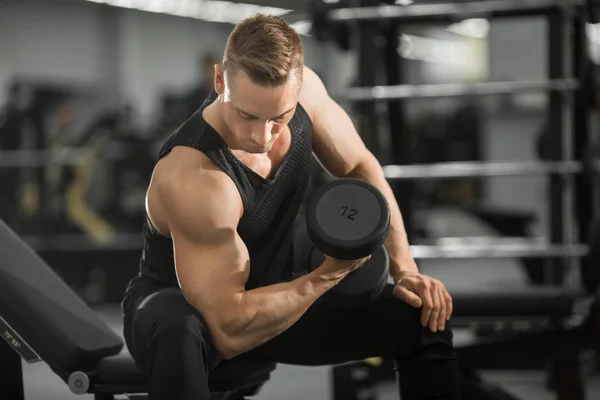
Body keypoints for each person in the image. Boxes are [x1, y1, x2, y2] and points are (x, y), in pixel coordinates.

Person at [121, 14, 459, 400]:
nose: (261, 137)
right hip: (186, 307)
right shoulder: (195, 175)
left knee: (422, 318)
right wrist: (326, 276)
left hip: (270, 294)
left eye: (278, 119)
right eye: (246, 115)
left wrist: (406, 271)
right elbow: (229, 329)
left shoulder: (307, 92)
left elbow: (359, 166)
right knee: (179, 332)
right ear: (220, 82)